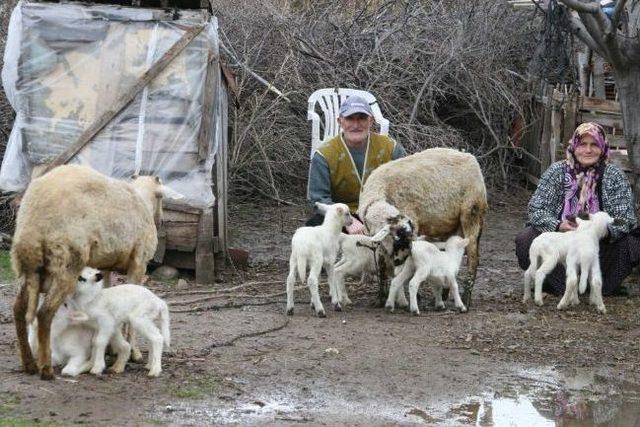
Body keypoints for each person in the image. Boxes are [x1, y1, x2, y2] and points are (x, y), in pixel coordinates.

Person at [515, 121, 640, 296]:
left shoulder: (614, 175)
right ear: (574, 146)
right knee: (526, 238)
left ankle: (602, 284)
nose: (588, 150)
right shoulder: (557, 171)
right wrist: (558, 225)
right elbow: (536, 209)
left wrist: (598, 231)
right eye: (582, 144)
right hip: (561, 246)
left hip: (599, 247)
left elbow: (626, 218)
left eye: (594, 144)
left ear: (603, 147)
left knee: (631, 243)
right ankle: (558, 284)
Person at [306, 95, 406, 234]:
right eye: (350, 119)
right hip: (345, 215)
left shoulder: (391, 148)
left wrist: (384, 215)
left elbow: (404, 190)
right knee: (314, 226)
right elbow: (318, 201)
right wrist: (347, 221)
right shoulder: (324, 155)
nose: (356, 125)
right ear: (340, 121)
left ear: (371, 121)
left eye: (361, 118)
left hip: (382, 213)